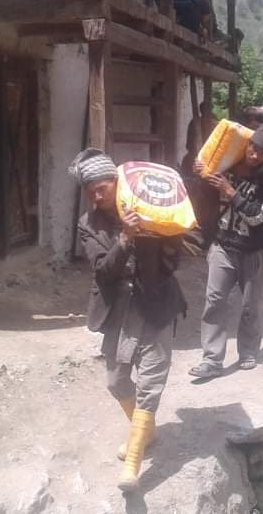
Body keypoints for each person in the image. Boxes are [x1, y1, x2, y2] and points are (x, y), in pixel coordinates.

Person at [72, 148, 187, 493]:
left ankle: (133, 463)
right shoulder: (88, 224)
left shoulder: (149, 208)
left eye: (101, 188)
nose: (96, 196)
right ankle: (146, 431)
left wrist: (164, 236)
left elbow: (173, 262)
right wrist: (125, 239)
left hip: (157, 302)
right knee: (116, 381)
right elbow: (103, 273)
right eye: (90, 191)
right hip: (119, 308)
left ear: (117, 182)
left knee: (151, 378)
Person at [188, 124, 263, 379]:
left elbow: (258, 217)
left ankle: (248, 351)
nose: (254, 155)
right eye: (253, 148)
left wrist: (230, 192)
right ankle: (212, 359)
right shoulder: (226, 164)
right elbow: (203, 199)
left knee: (250, 305)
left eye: (261, 152)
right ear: (247, 144)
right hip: (222, 245)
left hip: (251, 251)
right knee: (214, 301)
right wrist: (201, 176)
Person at [181, 102, 220, 251]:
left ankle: (203, 235)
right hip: (204, 164)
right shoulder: (213, 124)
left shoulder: (197, 122)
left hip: (199, 163)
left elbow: (188, 145)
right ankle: (203, 235)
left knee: (201, 204)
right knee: (207, 205)